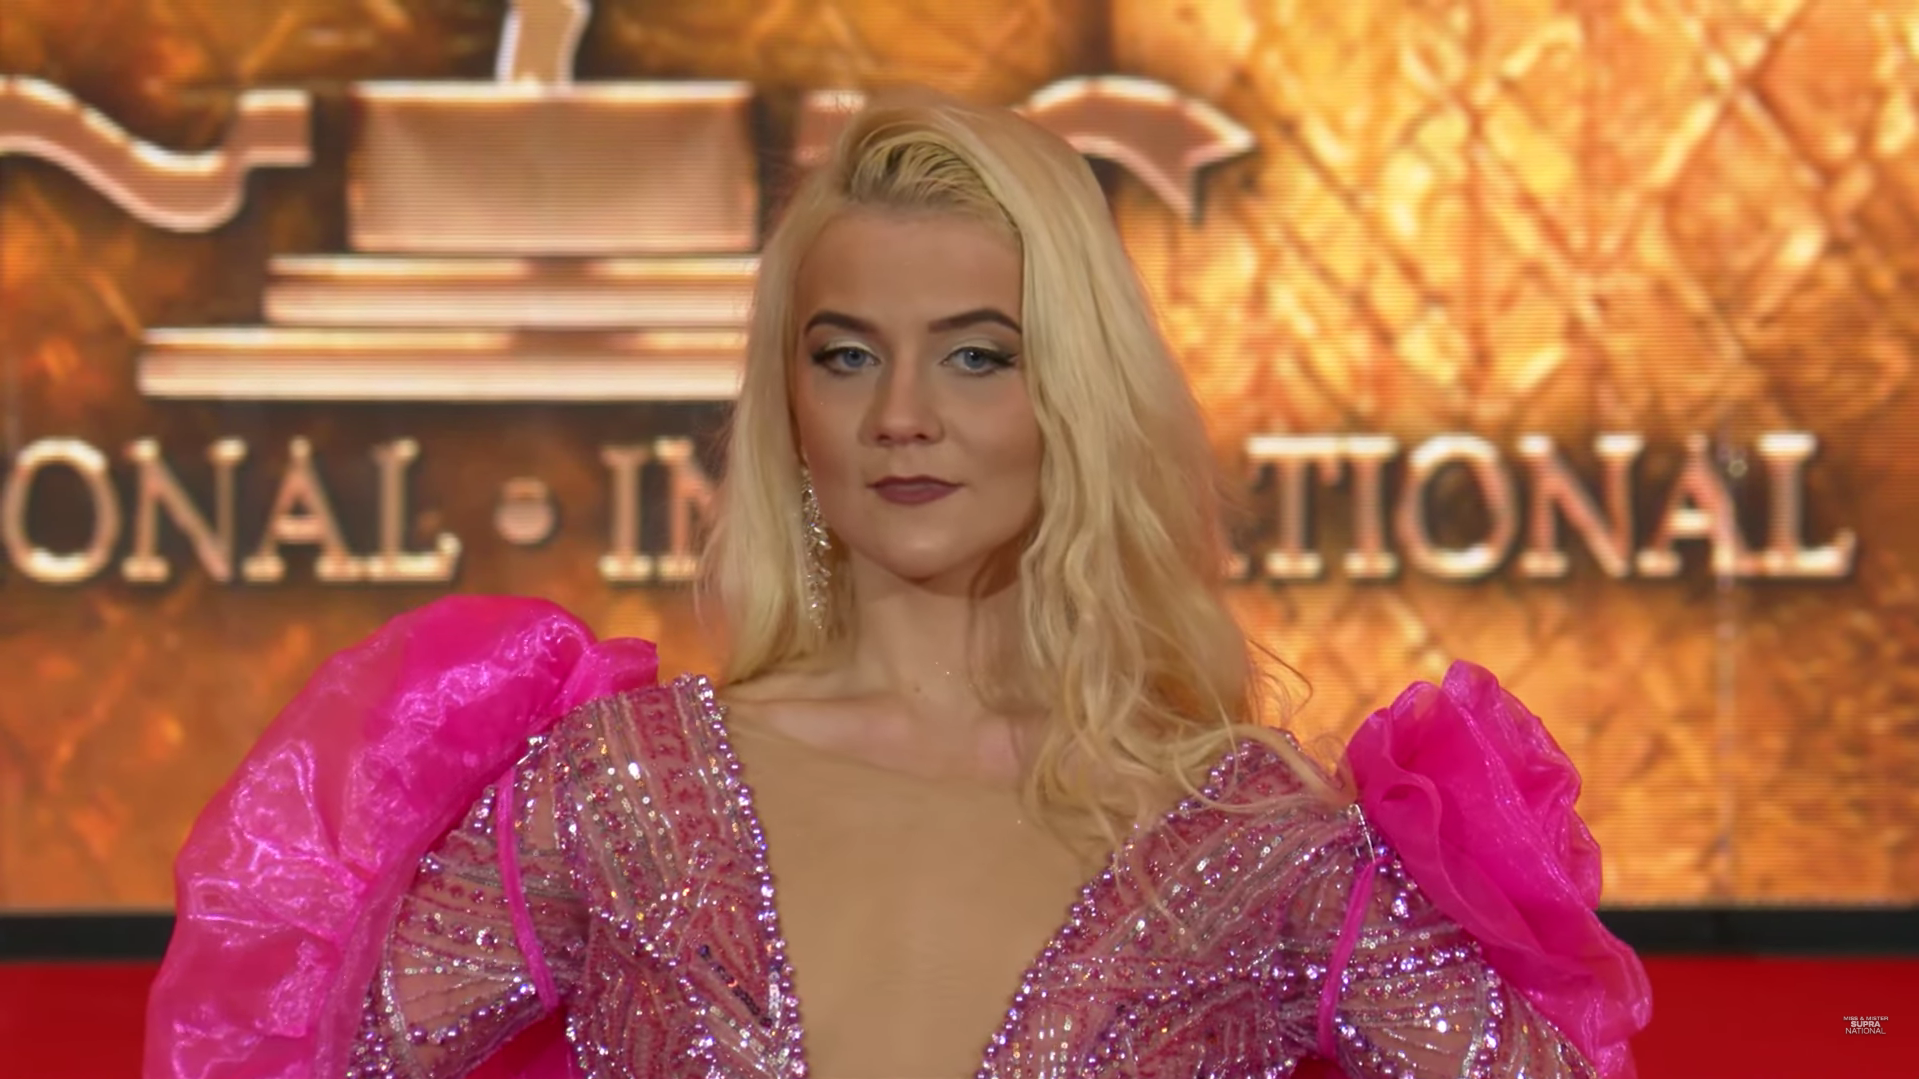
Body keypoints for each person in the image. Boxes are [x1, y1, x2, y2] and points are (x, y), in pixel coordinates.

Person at [144, 92, 1652, 1079]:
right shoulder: (612, 791)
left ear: (1078, 397)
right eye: (847, 354)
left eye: (977, 354)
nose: (902, 416)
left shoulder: (1257, 837)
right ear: (789, 405)